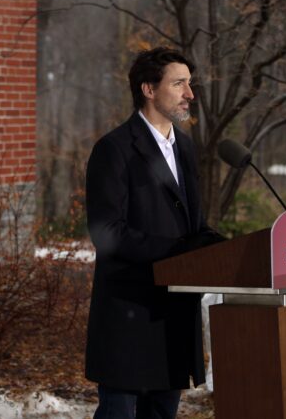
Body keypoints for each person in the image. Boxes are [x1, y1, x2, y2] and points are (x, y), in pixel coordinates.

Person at [85, 47, 222, 419]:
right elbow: (108, 232)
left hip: (174, 316)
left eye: (189, 84)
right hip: (129, 315)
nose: (189, 94)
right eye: (179, 84)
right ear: (148, 89)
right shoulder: (114, 150)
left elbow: (192, 224)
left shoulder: (187, 149)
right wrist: (179, 250)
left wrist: (214, 246)